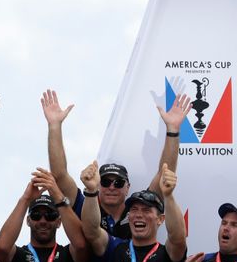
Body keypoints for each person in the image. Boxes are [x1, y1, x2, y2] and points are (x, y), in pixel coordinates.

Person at [40, 88, 192, 238]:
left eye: (118, 183)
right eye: (106, 181)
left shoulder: (138, 209)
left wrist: (173, 129)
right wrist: (54, 126)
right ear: (98, 184)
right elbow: (59, 175)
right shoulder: (85, 202)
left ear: (128, 188)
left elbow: (164, 175)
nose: (112, 187)